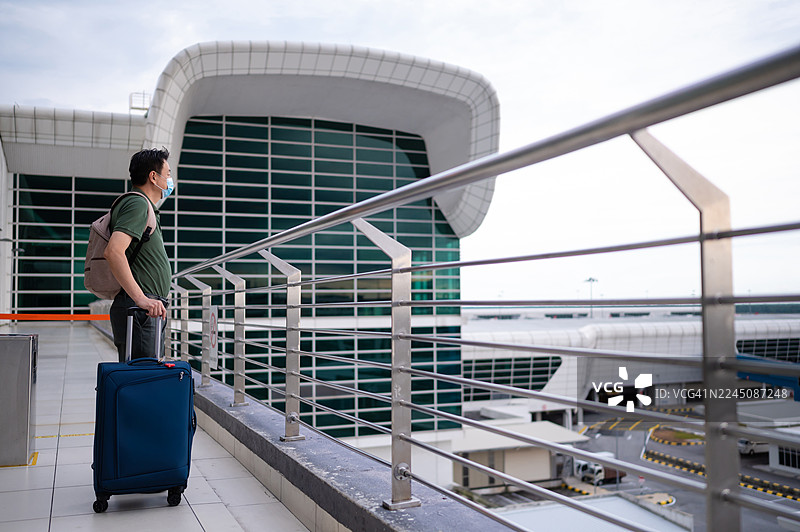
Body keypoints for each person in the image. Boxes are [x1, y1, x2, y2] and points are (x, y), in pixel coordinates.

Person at [105, 147, 173, 362]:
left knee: (142, 380)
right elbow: (114, 251)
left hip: (146, 309)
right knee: (142, 380)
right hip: (141, 310)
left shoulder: (143, 206)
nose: (170, 180)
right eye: (168, 174)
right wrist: (141, 299)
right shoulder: (137, 203)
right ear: (154, 176)